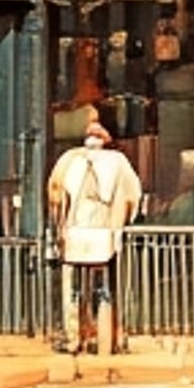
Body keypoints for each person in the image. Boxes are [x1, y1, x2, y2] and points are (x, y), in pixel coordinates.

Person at [49, 117, 144, 356]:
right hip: (104, 234)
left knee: (73, 289)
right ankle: (106, 340)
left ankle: (74, 338)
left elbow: (55, 194)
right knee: (105, 290)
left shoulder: (68, 160)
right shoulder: (118, 161)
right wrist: (122, 223)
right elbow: (132, 194)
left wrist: (58, 226)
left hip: (74, 232)